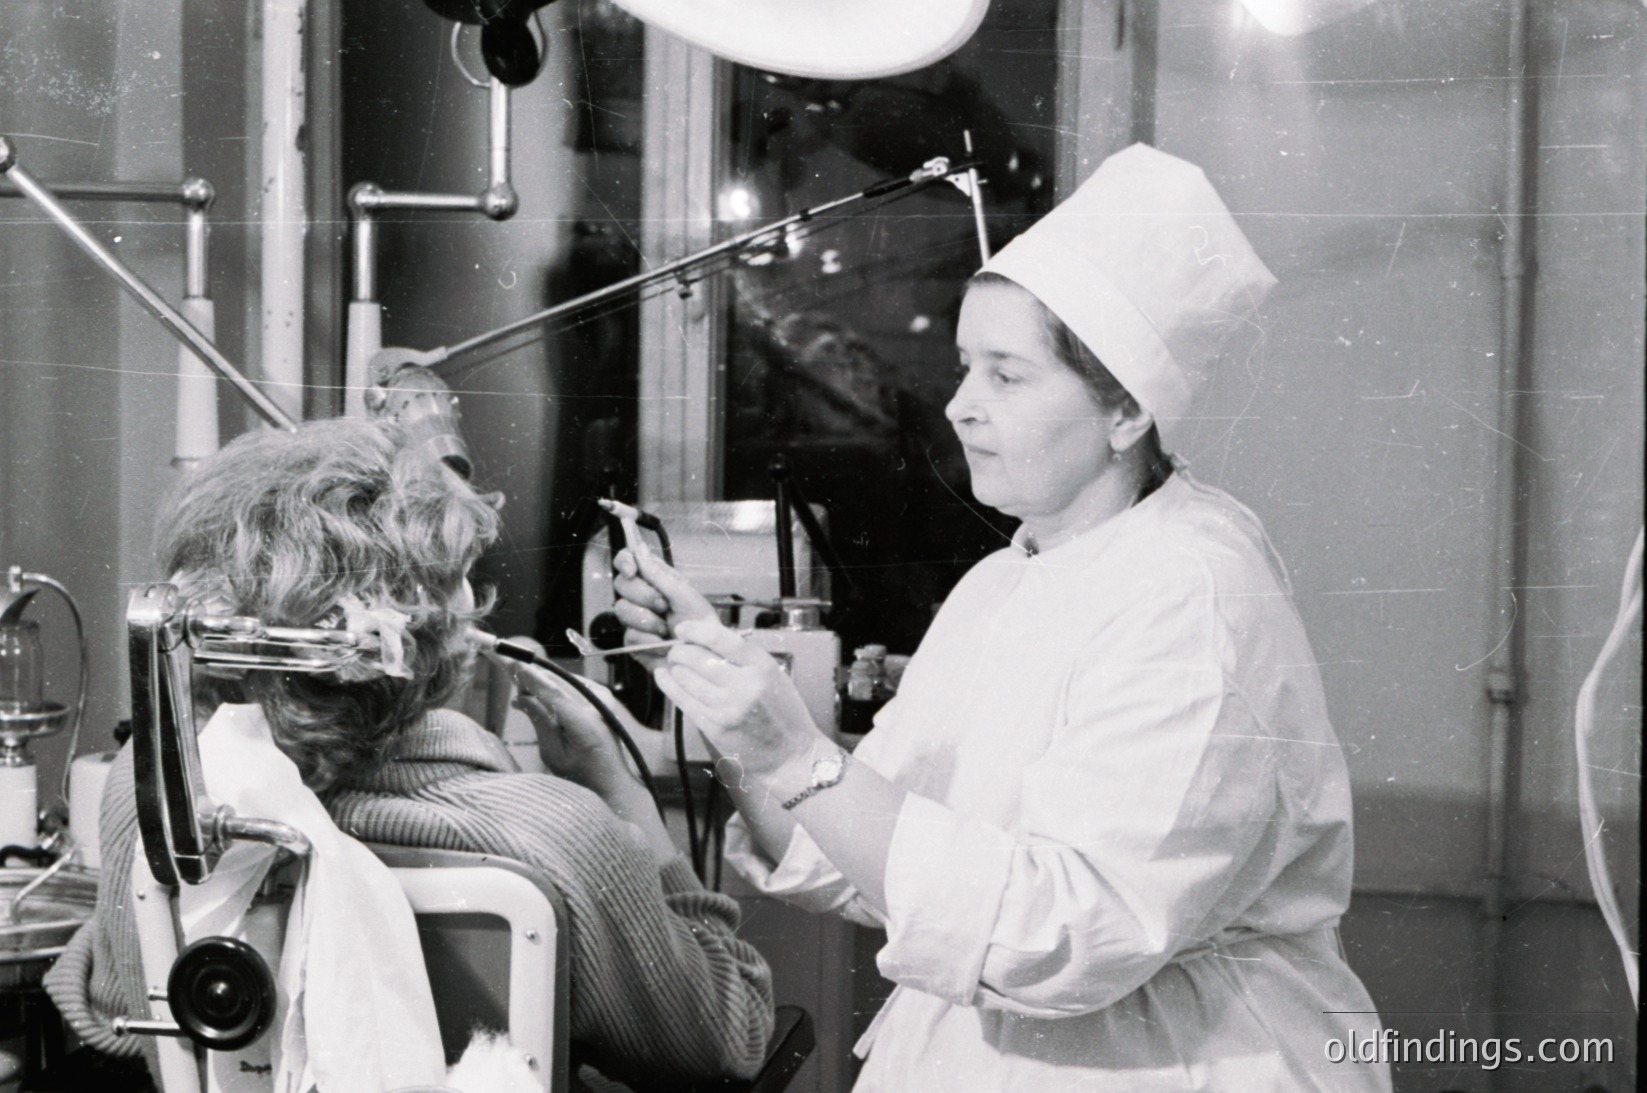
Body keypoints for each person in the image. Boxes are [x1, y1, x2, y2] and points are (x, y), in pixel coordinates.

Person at [608, 144, 1392, 1091]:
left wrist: (798, 756)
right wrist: (735, 706)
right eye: (964, 367)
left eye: (1006, 376)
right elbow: (853, 857)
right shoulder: (1004, 578)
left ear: (1124, 412)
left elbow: (1058, 937)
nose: (959, 405)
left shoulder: (1194, 594)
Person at [43, 417, 774, 1092]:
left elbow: (112, 1008)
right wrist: (622, 795)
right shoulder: (557, 836)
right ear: (432, 630)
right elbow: (729, 1037)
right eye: (462, 575)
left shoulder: (152, 792)